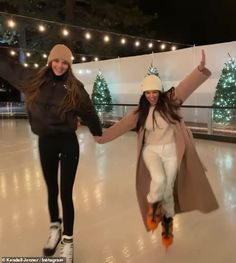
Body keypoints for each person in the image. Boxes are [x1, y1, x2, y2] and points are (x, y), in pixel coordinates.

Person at [96, 50, 219, 250]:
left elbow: (185, 87)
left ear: (160, 91)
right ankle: (154, 209)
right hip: (151, 153)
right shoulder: (140, 112)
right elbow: (121, 126)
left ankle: (167, 226)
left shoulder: (171, 101)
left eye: (155, 92)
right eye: (148, 92)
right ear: (143, 93)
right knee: (160, 181)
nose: (152, 96)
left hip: (171, 152)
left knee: (168, 191)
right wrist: (101, 138)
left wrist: (200, 70)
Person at [21, 44, 102, 262]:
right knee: (51, 190)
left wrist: (97, 132)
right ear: (50, 61)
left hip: (67, 143)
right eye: (57, 61)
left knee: (65, 192)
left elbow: (88, 110)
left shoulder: (74, 87)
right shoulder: (37, 82)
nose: (60, 65)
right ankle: (55, 229)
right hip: (46, 142)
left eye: (65, 62)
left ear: (69, 65)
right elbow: (31, 108)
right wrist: (35, 125)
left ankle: (68, 240)